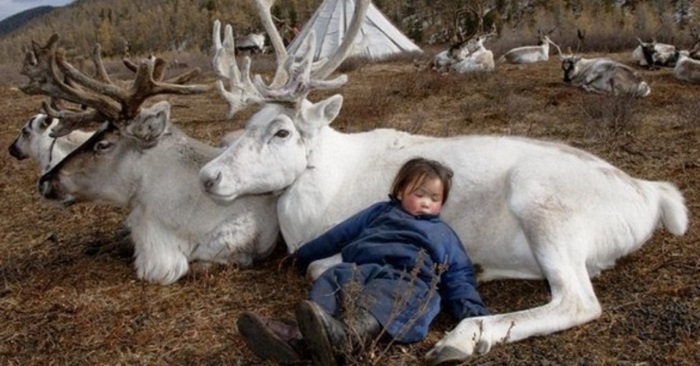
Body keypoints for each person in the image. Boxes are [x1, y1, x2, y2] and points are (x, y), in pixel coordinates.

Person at [237, 157, 489, 365]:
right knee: (332, 278)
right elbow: (339, 235)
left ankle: (345, 337)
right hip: (361, 269)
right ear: (400, 191)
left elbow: (459, 275)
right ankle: (305, 336)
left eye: (434, 199)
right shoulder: (379, 212)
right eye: (419, 194)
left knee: (392, 295)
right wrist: (300, 257)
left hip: (407, 279)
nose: (425, 203)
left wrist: (475, 316)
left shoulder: (443, 233)